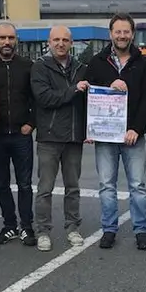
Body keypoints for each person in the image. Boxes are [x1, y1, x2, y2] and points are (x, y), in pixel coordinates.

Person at [86, 13, 146, 250]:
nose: (122, 36)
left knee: (137, 185)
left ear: (132, 34)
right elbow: (89, 95)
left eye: (126, 32)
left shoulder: (142, 63)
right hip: (105, 135)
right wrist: (91, 129)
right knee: (107, 185)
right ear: (111, 34)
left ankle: (141, 230)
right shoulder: (97, 62)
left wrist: (136, 128)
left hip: (133, 135)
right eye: (118, 31)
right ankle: (109, 229)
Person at [31, 26, 88, 252]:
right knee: (45, 188)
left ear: (71, 43)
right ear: (49, 42)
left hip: (74, 137)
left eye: (65, 40)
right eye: (56, 39)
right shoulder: (40, 67)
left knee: (73, 187)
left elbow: (89, 101)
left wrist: (91, 129)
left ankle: (72, 227)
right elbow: (45, 98)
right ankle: (43, 231)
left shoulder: (81, 68)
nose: (60, 43)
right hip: (49, 137)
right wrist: (73, 90)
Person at [0, 22, 37, 247]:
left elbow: (36, 97)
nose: (7, 42)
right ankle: (9, 225)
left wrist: (31, 123)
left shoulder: (27, 66)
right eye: (2, 38)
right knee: (2, 184)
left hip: (21, 135)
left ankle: (27, 226)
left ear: (16, 40)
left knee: (25, 184)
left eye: (11, 38)